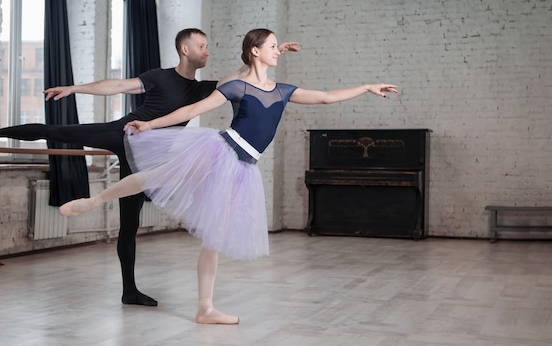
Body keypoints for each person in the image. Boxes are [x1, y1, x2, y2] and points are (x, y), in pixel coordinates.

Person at [58, 28, 398, 324]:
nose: (277, 51)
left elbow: (325, 98)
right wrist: (149, 123)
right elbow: (191, 110)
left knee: (214, 237)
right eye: (272, 46)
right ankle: (95, 200)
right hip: (219, 151)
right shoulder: (236, 87)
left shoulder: (282, 91)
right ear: (255, 51)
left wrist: (366, 86)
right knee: (157, 175)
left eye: (278, 46)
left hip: (242, 168)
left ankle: (205, 308)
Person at [0, 28, 300, 307]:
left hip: (150, 155)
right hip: (124, 132)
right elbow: (117, 86)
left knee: (129, 223)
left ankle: (129, 290)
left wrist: (275, 51)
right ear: (185, 49)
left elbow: (247, 73)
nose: (208, 50)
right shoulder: (159, 77)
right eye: (202, 45)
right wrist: (75, 88)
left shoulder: (204, 88)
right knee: (55, 131)